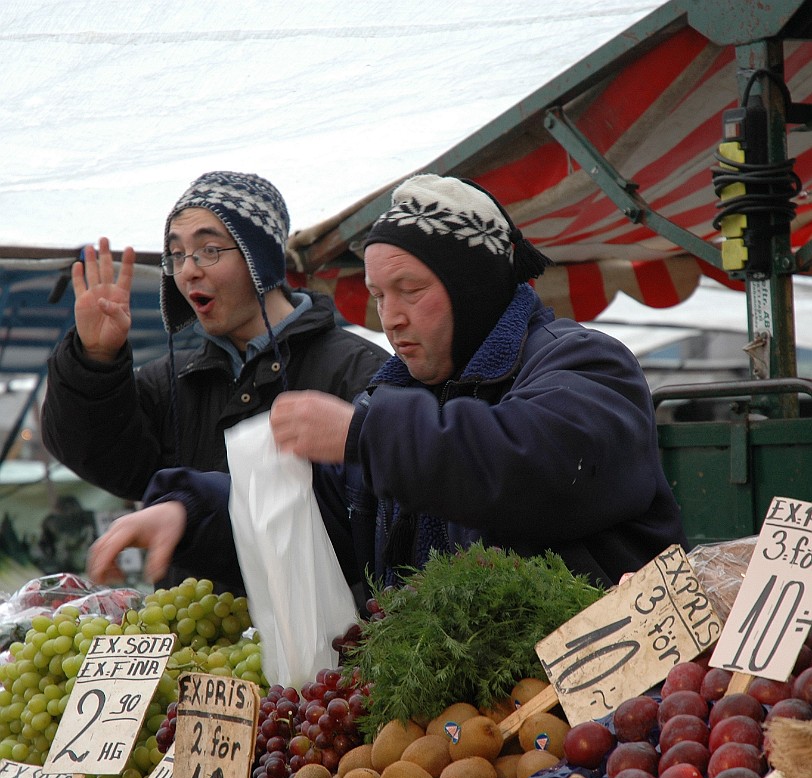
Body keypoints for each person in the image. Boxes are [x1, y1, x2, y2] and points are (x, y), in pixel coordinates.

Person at [87, 173, 687, 596]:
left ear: (472, 289)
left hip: (602, 708)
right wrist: (193, 512)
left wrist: (363, 434)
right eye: (377, 295)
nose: (389, 317)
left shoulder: (586, 365)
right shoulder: (394, 396)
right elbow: (310, 512)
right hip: (454, 734)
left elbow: (530, 463)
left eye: (411, 290)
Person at [42, 171, 391, 589]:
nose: (187, 271)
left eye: (209, 250)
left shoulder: (358, 370)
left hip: (325, 643)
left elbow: (374, 523)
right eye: (176, 253)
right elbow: (100, 457)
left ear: (261, 257)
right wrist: (95, 360)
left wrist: (193, 512)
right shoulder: (173, 380)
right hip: (193, 648)